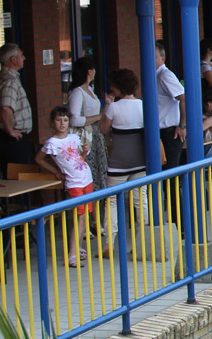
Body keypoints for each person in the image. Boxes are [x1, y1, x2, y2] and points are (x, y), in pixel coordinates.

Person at [37, 106, 92, 267]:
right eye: (58, 120)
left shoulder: (74, 137)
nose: (62, 123)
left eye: (65, 120)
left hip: (86, 177)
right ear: (52, 122)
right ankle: (72, 254)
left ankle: (78, 247)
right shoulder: (52, 143)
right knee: (79, 216)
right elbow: (39, 158)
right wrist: (56, 171)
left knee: (84, 216)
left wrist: (84, 152)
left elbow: (78, 158)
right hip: (74, 182)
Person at [103, 68, 149, 237]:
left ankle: (110, 240)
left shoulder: (113, 107)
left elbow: (103, 129)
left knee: (112, 201)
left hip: (118, 161)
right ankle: (144, 238)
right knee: (140, 199)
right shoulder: (143, 105)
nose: (111, 89)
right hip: (139, 159)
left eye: (113, 86)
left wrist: (107, 105)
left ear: (119, 86)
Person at [67, 55, 110, 236]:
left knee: (98, 178)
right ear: (89, 71)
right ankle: (85, 223)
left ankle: (96, 220)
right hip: (85, 138)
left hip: (96, 136)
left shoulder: (90, 90)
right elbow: (74, 118)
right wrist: (99, 116)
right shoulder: (78, 92)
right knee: (87, 179)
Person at [0, 42, 34, 174]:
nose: (24, 58)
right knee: (18, 178)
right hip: (12, 140)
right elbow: (6, 108)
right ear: (13, 59)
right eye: (21, 55)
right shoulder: (9, 81)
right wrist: (10, 131)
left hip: (9, 138)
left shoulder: (6, 77)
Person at [155, 41, 186, 170]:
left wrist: (182, 126)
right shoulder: (156, 76)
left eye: (154, 57)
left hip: (169, 133)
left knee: (170, 172)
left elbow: (183, 98)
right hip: (161, 132)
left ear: (162, 59)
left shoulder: (165, 76)